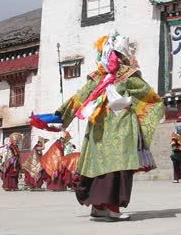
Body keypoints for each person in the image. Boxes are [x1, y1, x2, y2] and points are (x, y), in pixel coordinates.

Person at [53, 31, 164, 221]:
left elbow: (77, 100)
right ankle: (112, 209)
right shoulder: (128, 76)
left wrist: (59, 117)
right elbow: (149, 96)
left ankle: (99, 208)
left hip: (97, 131)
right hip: (120, 130)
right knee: (118, 167)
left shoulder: (97, 78)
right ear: (121, 55)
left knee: (98, 166)